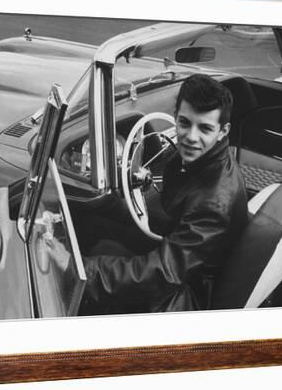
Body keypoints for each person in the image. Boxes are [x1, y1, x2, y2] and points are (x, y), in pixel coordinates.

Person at [49, 74, 248, 314]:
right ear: (175, 116)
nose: (191, 137)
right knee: (97, 221)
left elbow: (163, 273)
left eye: (205, 128)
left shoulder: (214, 204)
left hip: (183, 295)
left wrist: (77, 268)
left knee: (88, 273)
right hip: (182, 258)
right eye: (184, 123)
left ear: (223, 130)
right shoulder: (204, 160)